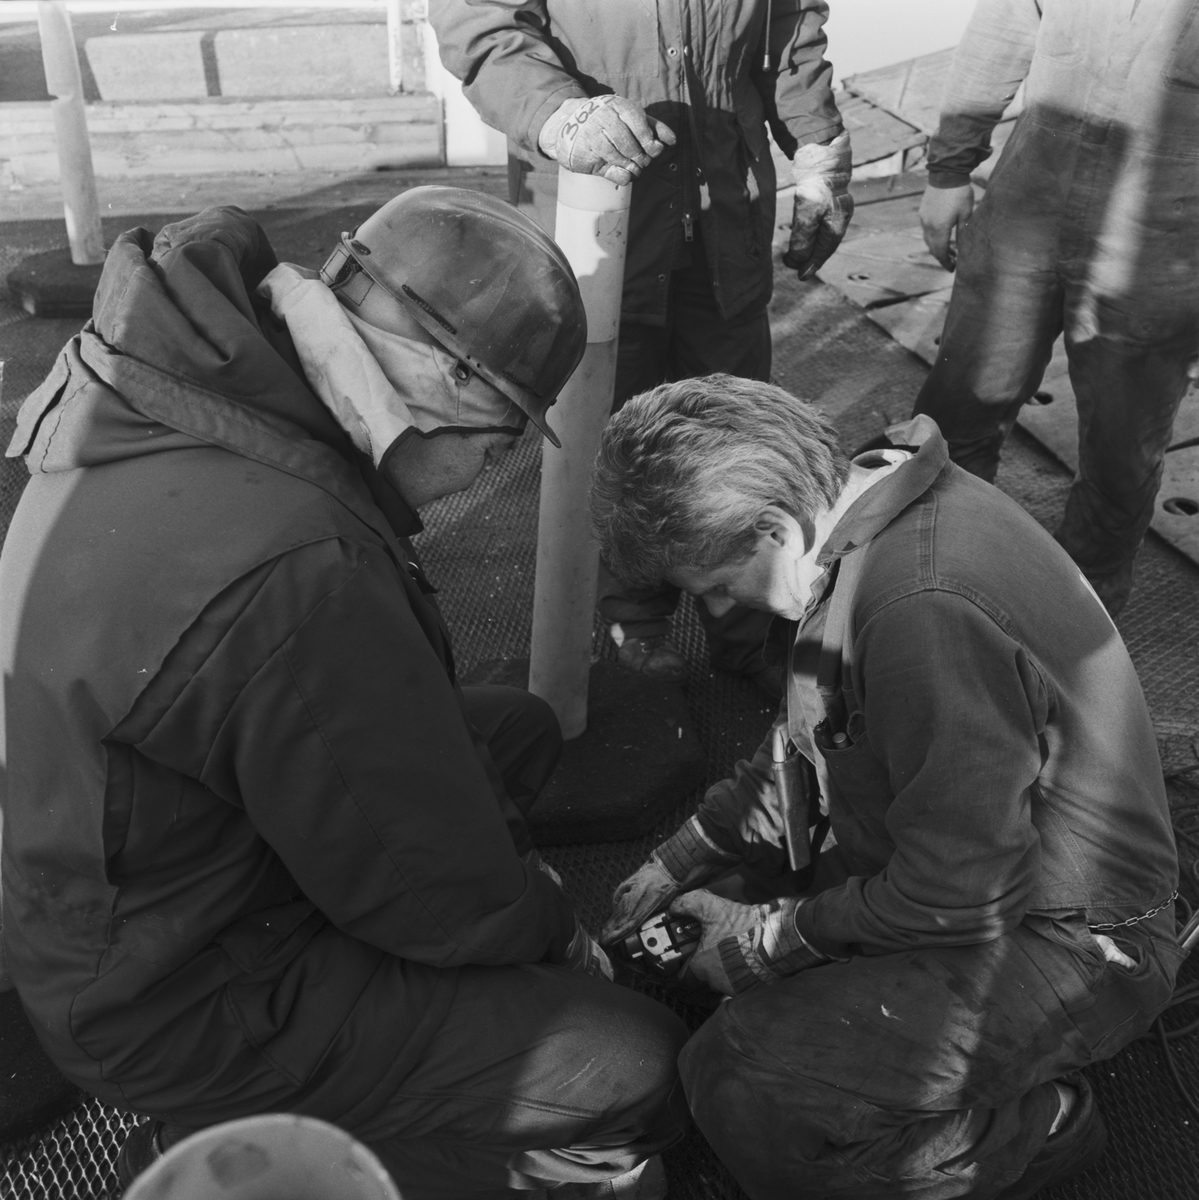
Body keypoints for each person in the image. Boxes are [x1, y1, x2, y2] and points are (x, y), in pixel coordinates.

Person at [0, 189, 688, 1200]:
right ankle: (243, 1148)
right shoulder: (301, 567)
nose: (481, 477)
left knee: (516, 730)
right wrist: (558, 934)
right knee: (629, 1062)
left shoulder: (176, 387)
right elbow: (436, 900)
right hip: (177, 998)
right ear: (439, 384)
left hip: (130, 875)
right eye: (497, 443)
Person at [591, 374, 1181, 1199]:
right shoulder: (861, 514)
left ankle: (1039, 1125)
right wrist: (687, 852)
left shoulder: (915, 610)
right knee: (699, 928)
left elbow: (961, 895)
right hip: (956, 859)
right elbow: (811, 736)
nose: (719, 607)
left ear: (773, 527)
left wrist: (770, 941)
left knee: (742, 1082)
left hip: (1070, 939)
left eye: (716, 587)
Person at [429, 0, 853, 691]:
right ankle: (635, 618)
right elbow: (480, 23)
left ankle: (752, 630)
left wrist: (817, 146)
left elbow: (789, 24)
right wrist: (557, 111)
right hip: (596, 204)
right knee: (609, 438)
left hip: (725, 211)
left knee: (740, 434)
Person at [912, 0, 1199, 617]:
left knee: (1119, 459)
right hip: (1026, 209)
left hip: (1162, 240)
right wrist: (948, 171)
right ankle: (925, 595)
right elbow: (1004, 27)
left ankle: (1076, 631)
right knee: (955, 417)